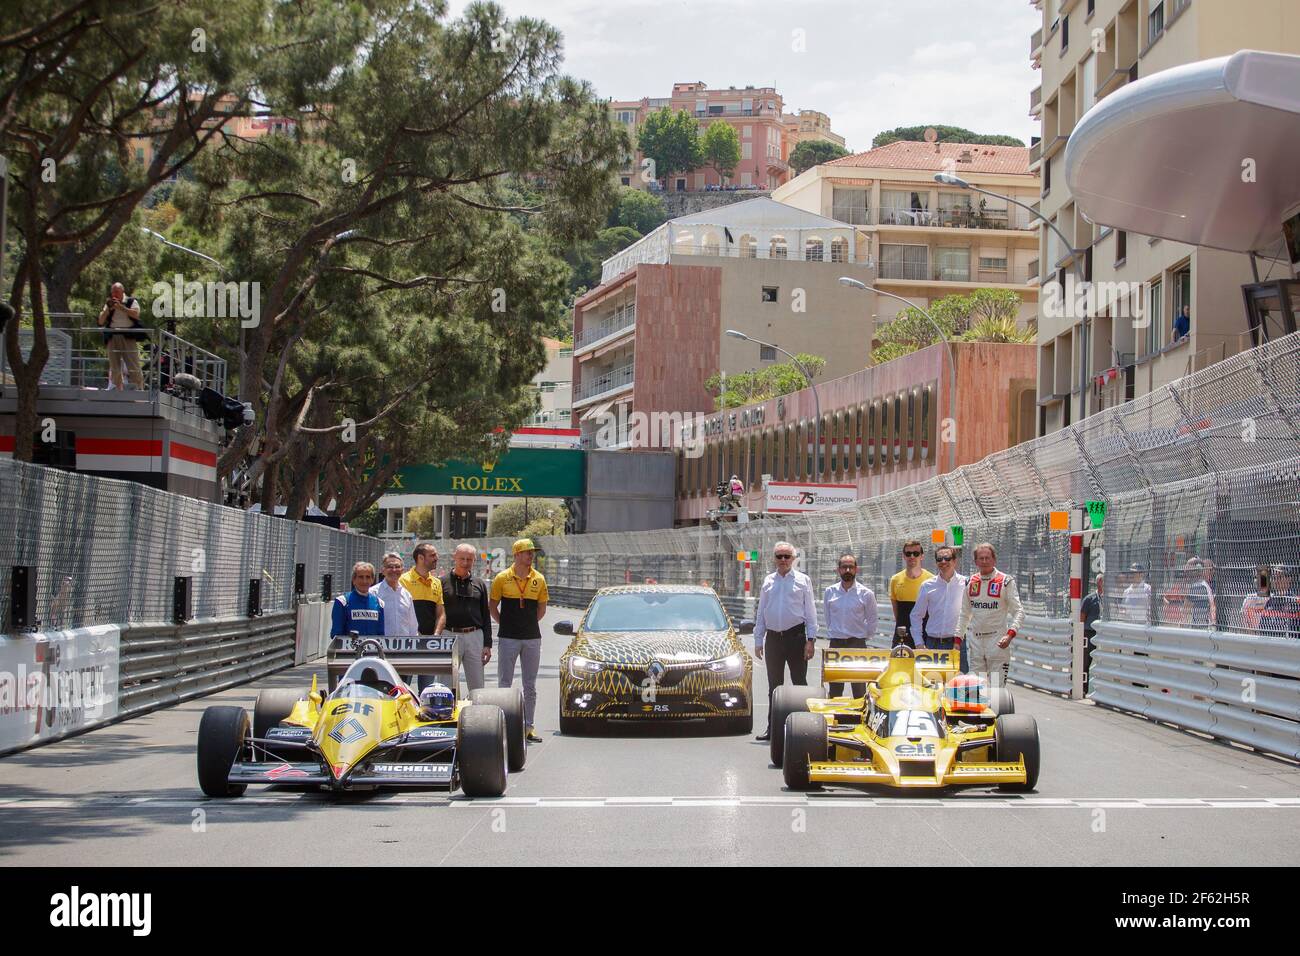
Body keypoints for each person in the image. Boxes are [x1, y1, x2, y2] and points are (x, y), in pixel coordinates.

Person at [752, 541, 818, 741]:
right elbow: (762, 611)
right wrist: (758, 639)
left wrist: (811, 640)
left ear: (793, 559)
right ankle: (773, 729)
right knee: (774, 686)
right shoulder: (768, 581)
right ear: (774, 558)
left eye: (786, 557)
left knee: (800, 683)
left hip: (796, 636)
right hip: (773, 638)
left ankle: (806, 728)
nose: (782, 560)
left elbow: (810, 612)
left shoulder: (803, 580)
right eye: (779, 556)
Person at [489, 538, 548, 743]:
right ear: (516, 555)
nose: (531, 555)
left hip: (532, 638)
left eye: (532, 552)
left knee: (529, 685)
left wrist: (528, 624)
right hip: (508, 638)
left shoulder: (539, 578)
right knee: (505, 683)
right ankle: (504, 726)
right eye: (526, 552)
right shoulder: (502, 578)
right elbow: (493, 605)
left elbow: (541, 609)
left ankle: (528, 727)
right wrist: (504, 623)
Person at [955, 542, 1024, 686]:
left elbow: (1019, 611)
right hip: (976, 644)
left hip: (998, 642)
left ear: (994, 559)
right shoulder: (970, 582)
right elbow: (964, 614)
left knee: (996, 692)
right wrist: (957, 639)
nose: (985, 561)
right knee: (975, 691)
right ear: (976, 561)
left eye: (988, 558)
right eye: (981, 558)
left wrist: (1010, 634)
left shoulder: (1006, 581)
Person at [823, 553, 877, 698]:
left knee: (859, 689)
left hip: (857, 645)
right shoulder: (829, 592)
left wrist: (863, 638)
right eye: (844, 567)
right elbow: (828, 619)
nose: (847, 570)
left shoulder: (866, 594)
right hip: (836, 644)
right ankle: (834, 718)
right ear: (838, 569)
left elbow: (872, 621)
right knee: (834, 689)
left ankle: (858, 718)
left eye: (850, 567)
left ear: (856, 569)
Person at [441, 543, 492, 691]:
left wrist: (487, 644)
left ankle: (477, 712)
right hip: (448, 635)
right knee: (446, 684)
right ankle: (447, 713)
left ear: (474, 560)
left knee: (477, 685)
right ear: (454, 558)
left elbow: (485, 615)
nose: (465, 563)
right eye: (462, 558)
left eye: (469, 559)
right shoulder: (441, 582)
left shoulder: (479, 584)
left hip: (474, 636)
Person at [910, 545, 967, 651]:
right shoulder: (927, 586)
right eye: (939, 559)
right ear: (936, 563)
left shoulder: (966, 584)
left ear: (955, 561)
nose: (943, 562)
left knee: (961, 669)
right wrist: (919, 643)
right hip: (933, 644)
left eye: (947, 558)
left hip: (958, 644)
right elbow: (916, 615)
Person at [96, 282, 145, 390]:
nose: (114, 294)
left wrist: (121, 307)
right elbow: (100, 321)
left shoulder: (131, 301)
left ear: (122, 291)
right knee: (115, 367)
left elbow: (136, 315)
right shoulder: (109, 303)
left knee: (133, 365)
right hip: (113, 336)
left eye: (117, 292)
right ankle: (118, 390)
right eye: (113, 292)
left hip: (128, 336)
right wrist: (108, 309)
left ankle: (139, 389)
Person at [889, 540, 933, 648]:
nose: (912, 556)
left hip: (925, 634)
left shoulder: (931, 579)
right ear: (904, 556)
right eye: (908, 554)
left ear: (921, 556)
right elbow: (896, 610)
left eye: (916, 553)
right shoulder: (895, 580)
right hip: (902, 633)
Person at [399, 543, 445, 636]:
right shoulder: (403, 580)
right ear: (420, 558)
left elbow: (440, 614)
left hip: (431, 642)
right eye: (432, 555)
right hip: (410, 639)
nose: (436, 558)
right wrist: (416, 635)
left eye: (436, 555)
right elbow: (401, 613)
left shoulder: (436, 582)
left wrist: (436, 635)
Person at [330, 561, 385, 637]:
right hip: (350, 648)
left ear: (372, 580)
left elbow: (381, 635)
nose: (364, 581)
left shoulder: (379, 603)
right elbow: (336, 635)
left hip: (373, 648)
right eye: (361, 577)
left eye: (368, 577)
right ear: (353, 580)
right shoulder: (342, 602)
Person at [375, 552, 419, 636]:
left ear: (402, 570)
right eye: (390, 567)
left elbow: (413, 626)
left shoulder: (407, 595)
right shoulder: (373, 593)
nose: (394, 570)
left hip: (404, 646)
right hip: (380, 646)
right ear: (382, 570)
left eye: (397, 567)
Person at [1261, 565, 1300, 640]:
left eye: (1280, 577)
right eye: (1274, 578)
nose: (1276, 581)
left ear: (1289, 579)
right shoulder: (1269, 601)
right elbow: (1262, 625)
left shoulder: (1295, 602)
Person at [1080, 573, 1104, 690]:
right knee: (1086, 661)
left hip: (1103, 634)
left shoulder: (1108, 599)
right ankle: (1083, 688)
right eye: (1103, 581)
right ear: (1099, 582)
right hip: (1090, 633)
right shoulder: (1089, 599)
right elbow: (1082, 618)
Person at [1240, 569, 1271, 633]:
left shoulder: (1272, 598)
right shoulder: (1250, 598)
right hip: (1252, 634)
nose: (1260, 582)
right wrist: (1251, 633)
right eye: (1257, 578)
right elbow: (1243, 617)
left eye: (1263, 579)